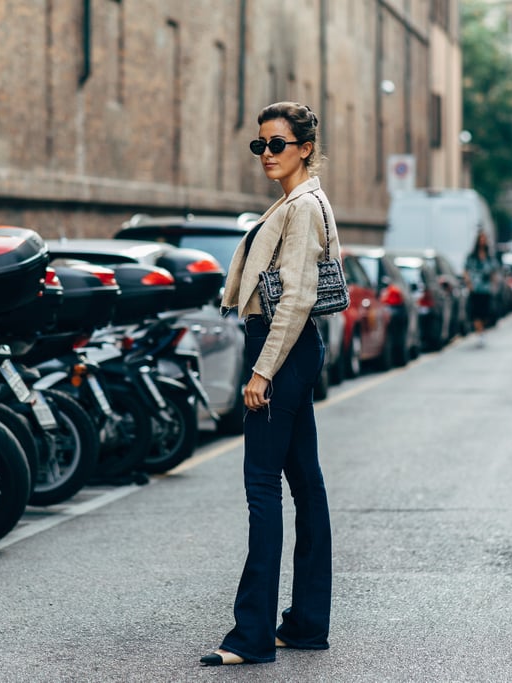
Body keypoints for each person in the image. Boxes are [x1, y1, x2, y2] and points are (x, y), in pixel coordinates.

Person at [203, 101, 335, 666]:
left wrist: (262, 370)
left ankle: (251, 635)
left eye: (276, 144)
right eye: (260, 145)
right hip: (292, 350)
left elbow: (298, 296)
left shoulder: (303, 206)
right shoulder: (297, 200)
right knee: (304, 482)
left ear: (304, 147)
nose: (266, 154)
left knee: (262, 484)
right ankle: (305, 623)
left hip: (279, 349)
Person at [464, 230, 497, 347]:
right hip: (475, 289)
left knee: (485, 313)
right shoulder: (472, 257)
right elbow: (466, 270)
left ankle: (482, 332)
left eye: (484, 239)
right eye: (481, 239)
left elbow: (494, 271)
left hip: (486, 289)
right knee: (476, 313)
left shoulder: (489, 257)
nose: (483, 241)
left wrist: (494, 284)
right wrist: (469, 284)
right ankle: (480, 334)